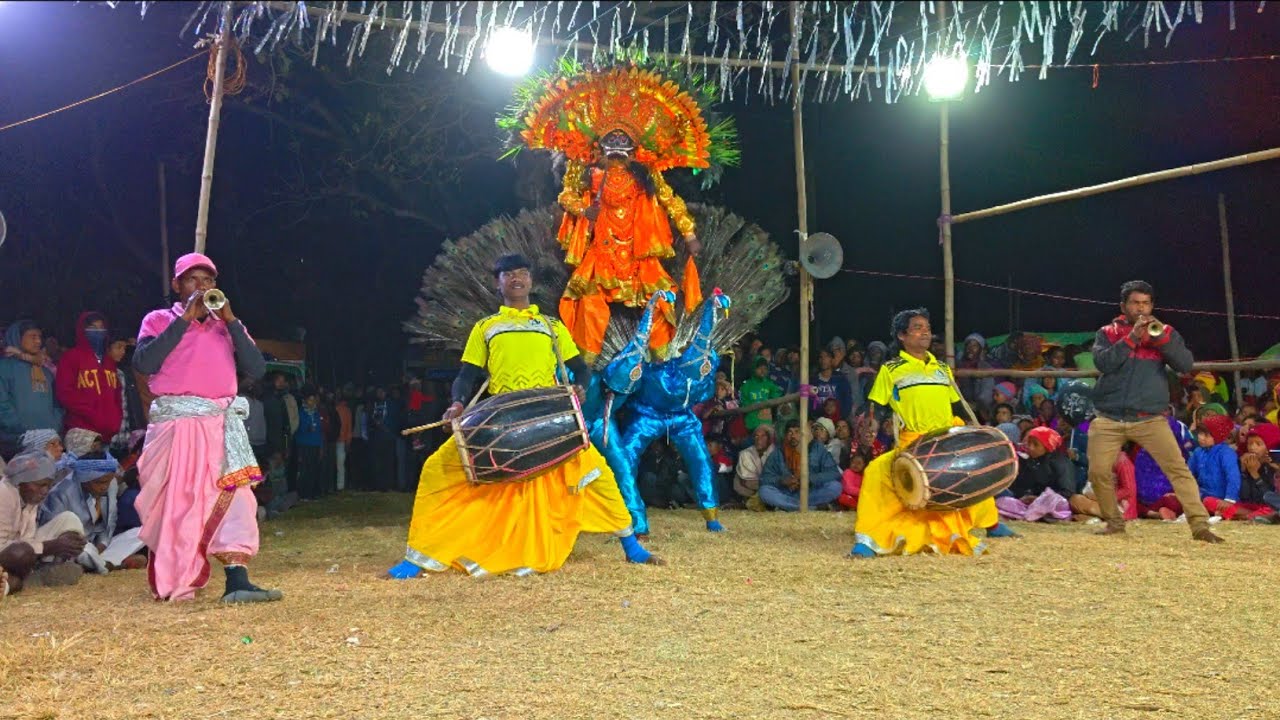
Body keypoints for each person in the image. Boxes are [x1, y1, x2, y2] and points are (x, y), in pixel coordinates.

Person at [386, 254, 659, 578]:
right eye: (508, 274)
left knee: (598, 476)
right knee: (437, 468)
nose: (516, 278)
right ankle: (418, 558)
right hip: (502, 422)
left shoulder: (550, 326)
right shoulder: (486, 328)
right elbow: (467, 375)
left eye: (522, 273)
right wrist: (458, 403)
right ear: (497, 282)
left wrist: (580, 389)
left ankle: (632, 548)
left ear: (530, 280)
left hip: (550, 418)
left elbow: (581, 370)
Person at [131, 253, 276, 603]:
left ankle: (237, 581)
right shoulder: (158, 320)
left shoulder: (226, 327)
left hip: (221, 427)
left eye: (208, 281)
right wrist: (184, 322)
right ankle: (178, 583)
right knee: (181, 505)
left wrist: (231, 321)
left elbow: (256, 369)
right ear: (177, 285)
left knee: (238, 498)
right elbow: (144, 362)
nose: (202, 287)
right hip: (178, 427)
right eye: (193, 280)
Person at [851, 309, 1012, 558]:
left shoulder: (942, 369)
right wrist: (869, 427)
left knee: (971, 469)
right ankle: (870, 539)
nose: (925, 331)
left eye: (926, 326)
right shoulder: (892, 369)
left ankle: (992, 524)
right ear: (902, 336)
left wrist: (975, 427)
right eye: (917, 327)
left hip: (948, 436)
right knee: (875, 472)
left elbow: (958, 404)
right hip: (913, 440)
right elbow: (877, 406)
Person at [1086, 280, 1222, 543]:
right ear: (1123, 306)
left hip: (1149, 418)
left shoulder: (1165, 332)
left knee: (1177, 469)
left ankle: (1200, 527)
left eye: (1146, 303)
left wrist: (1163, 340)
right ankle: (1114, 522)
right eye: (1135, 303)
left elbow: (1184, 364)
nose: (1141, 308)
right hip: (1109, 417)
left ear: (1152, 305)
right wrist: (1132, 338)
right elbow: (1104, 363)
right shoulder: (1107, 332)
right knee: (1098, 472)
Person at [40, 454, 146, 572]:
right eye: (100, 483)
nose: (104, 487)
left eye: (108, 481)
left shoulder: (111, 485)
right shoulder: (61, 493)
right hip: (75, 547)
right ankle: (108, 565)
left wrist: (102, 545)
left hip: (99, 547)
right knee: (81, 550)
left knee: (140, 533)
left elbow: (111, 521)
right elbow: (56, 533)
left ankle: (96, 562)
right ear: (84, 479)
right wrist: (89, 548)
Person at [0, 451, 87, 593]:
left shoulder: (28, 495)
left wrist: (63, 545)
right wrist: (51, 546)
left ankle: (33, 574)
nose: (45, 491)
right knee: (20, 552)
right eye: (40, 485)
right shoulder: (4, 493)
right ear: (20, 482)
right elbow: (4, 546)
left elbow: (27, 538)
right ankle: (23, 580)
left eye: (48, 485)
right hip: (6, 554)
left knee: (69, 519)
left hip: (23, 550)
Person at [55, 312, 124, 441]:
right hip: (82, 432)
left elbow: (117, 395)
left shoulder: (109, 362)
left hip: (108, 433)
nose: (98, 332)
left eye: (101, 327)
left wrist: (115, 420)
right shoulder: (71, 357)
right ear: (82, 330)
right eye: (93, 328)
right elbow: (65, 394)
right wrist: (93, 415)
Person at [1, 321, 65, 460]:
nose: (38, 341)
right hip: (15, 443)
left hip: (47, 442)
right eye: (32, 336)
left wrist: (53, 426)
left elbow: (58, 404)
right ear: (17, 338)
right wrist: (23, 429)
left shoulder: (46, 372)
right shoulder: (4, 368)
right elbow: (2, 404)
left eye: (39, 337)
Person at [757, 419, 842, 511]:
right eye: (790, 432)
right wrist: (781, 480)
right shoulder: (778, 452)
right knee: (764, 491)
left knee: (835, 487)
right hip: (787, 493)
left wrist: (809, 479)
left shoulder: (817, 448)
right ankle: (810, 508)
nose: (793, 436)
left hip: (810, 493)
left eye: (797, 432)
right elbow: (764, 478)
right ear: (785, 435)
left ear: (804, 434)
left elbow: (834, 473)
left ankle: (789, 507)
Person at [996, 427, 1074, 523]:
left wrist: (1039, 498)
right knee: (1003, 501)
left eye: (1035, 444)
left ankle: (1035, 514)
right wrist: (1026, 497)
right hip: (1031, 504)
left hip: (1054, 503)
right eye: (1029, 443)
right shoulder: (1029, 461)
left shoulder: (1061, 463)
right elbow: (1020, 486)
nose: (1030, 447)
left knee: (1052, 500)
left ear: (1048, 446)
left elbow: (1068, 492)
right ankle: (1033, 515)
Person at [734, 424, 774, 511]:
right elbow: (747, 481)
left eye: (763, 436)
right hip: (751, 489)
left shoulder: (776, 452)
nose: (759, 439)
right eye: (756, 436)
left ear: (769, 439)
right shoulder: (746, 453)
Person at [739, 357, 783, 433]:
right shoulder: (746, 386)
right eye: (760, 368)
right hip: (752, 426)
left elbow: (777, 397)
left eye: (765, 368)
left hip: (768, 426)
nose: (763, 371)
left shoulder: (769, 384)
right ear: (754, 369)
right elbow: (743, 403)